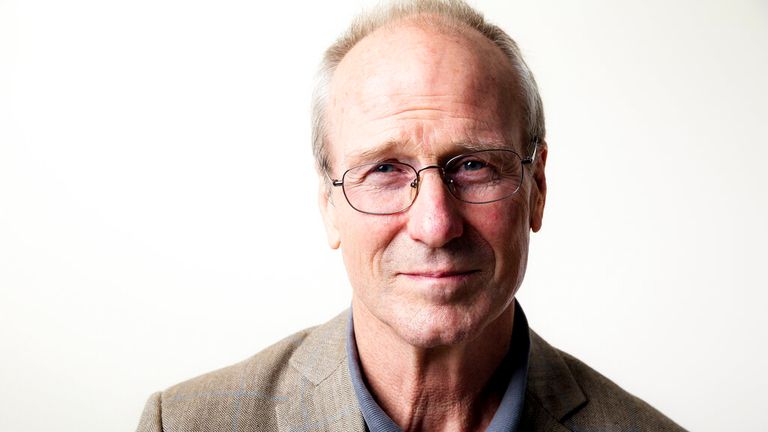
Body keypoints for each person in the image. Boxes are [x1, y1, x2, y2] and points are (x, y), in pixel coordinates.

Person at [137, 1, 686, 430]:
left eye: (473, 165)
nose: (435, 225)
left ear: (536, 185)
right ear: (328, 203)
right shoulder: (185, 423)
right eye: (384, 170)